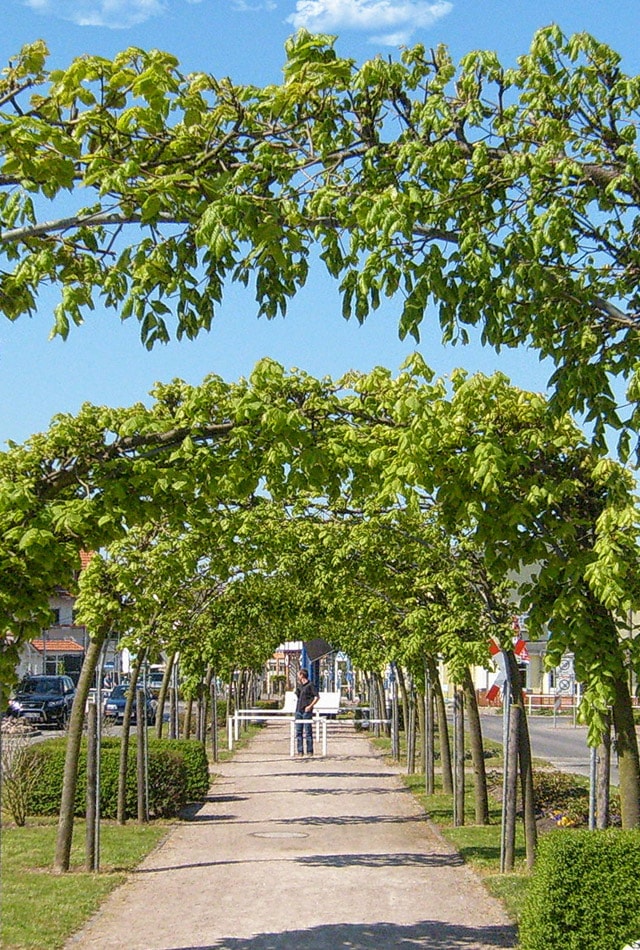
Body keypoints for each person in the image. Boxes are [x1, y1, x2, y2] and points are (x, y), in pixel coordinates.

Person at [295, 668, 318, 756]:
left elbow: (316, 697)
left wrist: (310, 706)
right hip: (298, 710)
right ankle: (300, 751)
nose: (298, 676)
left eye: (299, 674)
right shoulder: (299, 686)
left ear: (302, 675)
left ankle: (309, 750)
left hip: (306, 711)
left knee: (308, 731)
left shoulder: (310, 685)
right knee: (299, 732)